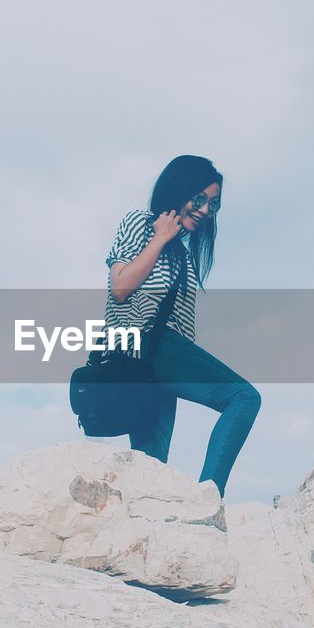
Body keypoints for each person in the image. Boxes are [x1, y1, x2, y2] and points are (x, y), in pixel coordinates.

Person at [102, 155, 260, 497]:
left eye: (213, 204)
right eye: (199, 199)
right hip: (144, 348)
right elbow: (120, 287)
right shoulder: (140, 224)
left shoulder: (184, 256)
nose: (205, 210)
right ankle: (208, 495)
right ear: (178, 189)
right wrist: (159, 238)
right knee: (244, 397)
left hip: (156, 362)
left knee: (150, 465)